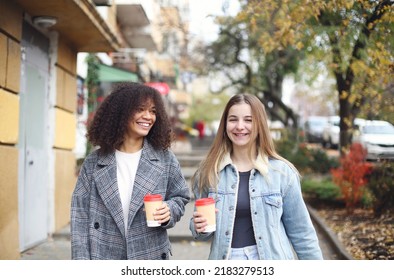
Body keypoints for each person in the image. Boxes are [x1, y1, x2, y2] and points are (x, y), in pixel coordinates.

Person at [190, 93, 323, 260]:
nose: (240, 126)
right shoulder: (209, 172)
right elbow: (201, 233)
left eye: (248, 120)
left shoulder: (282, 173)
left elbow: (302, 233)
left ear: (259, 124)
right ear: (224, 125)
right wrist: (198, 226)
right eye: (233, 119)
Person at [71, 82, 190, 260]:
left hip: (149, 255)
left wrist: (169, 210)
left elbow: (180, 197)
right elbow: (79, 216)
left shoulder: (165, 158)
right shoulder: (94, 162)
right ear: (121, 112)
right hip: (103, 255)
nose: (148, 116)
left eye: (153, 111)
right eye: (140, 109)